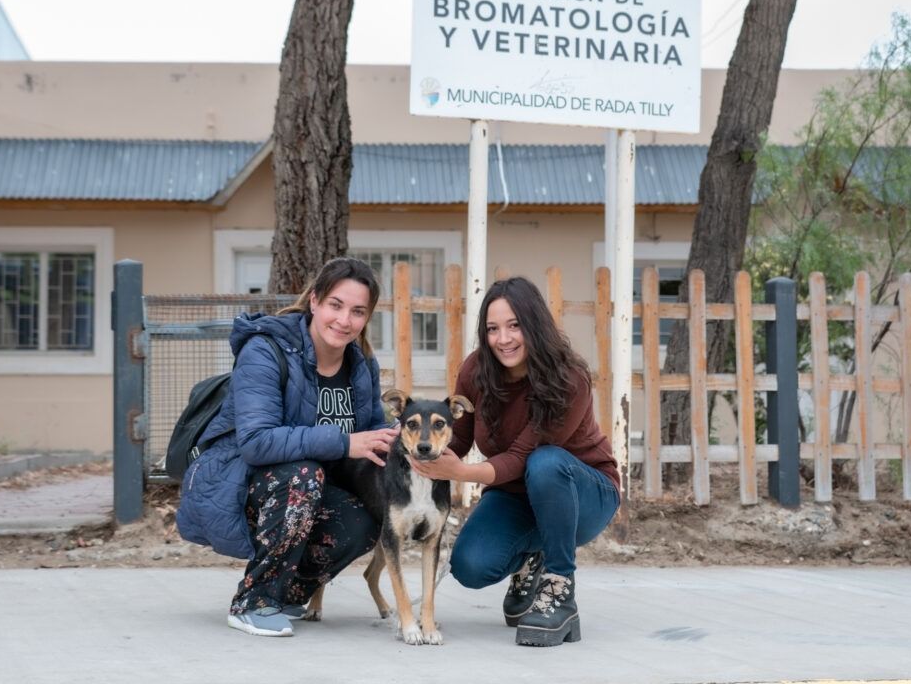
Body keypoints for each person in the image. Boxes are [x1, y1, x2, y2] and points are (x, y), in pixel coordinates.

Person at [176, 257, 398, 638]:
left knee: (368, 516)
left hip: (307, 491)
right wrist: (344, 442)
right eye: (336, 305)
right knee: (303, 474)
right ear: (314, 301)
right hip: (239, 481)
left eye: (358, 312)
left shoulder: (361, 364)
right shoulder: (265, 350)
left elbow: (372, 433)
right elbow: (257, 442)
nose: (344, 320)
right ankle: (253, 601)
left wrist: (403, 443)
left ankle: (289, 592)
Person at [408, 276, 620, 647]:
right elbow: (458, 437)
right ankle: (530, 560)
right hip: (515, 494)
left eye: (514, 326)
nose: (502, 339)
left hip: (584, 492)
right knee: (470, 566)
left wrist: (461, 473)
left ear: (534, 325)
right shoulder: (475, 370)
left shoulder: (569, 378)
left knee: (545, 462)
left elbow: (523, 457)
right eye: (492, 329)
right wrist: (424, 450)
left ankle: (559, 589)